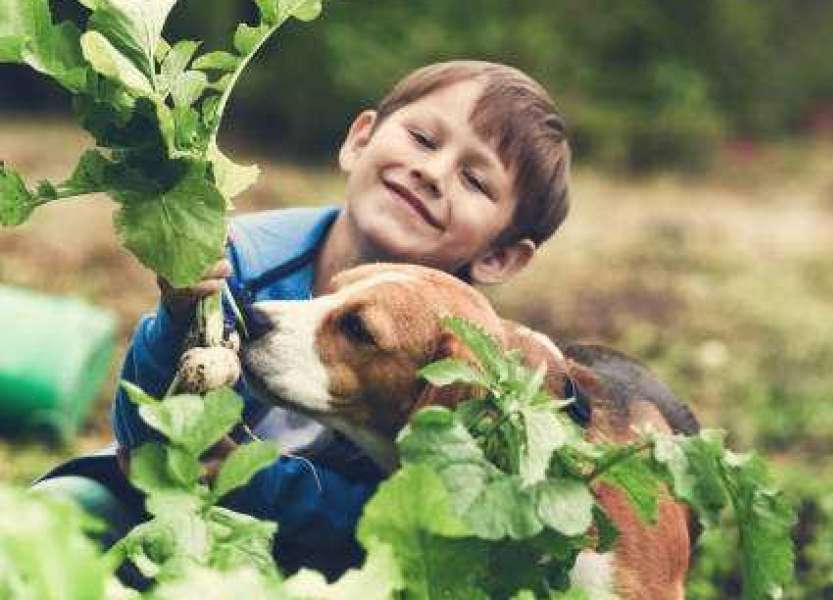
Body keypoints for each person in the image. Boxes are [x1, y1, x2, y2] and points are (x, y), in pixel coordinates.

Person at [37, 60, 571, 577]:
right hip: (158, 512)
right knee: (58, 514)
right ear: (360, 139)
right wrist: (179, 316)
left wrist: (258, 481)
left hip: (320, 563)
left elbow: (398, 527)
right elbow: (145, 438)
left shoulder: (465, 375)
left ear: (500, 257)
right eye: (423, 140)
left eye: (475, 181)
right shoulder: (238, 261)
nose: (432, 172)